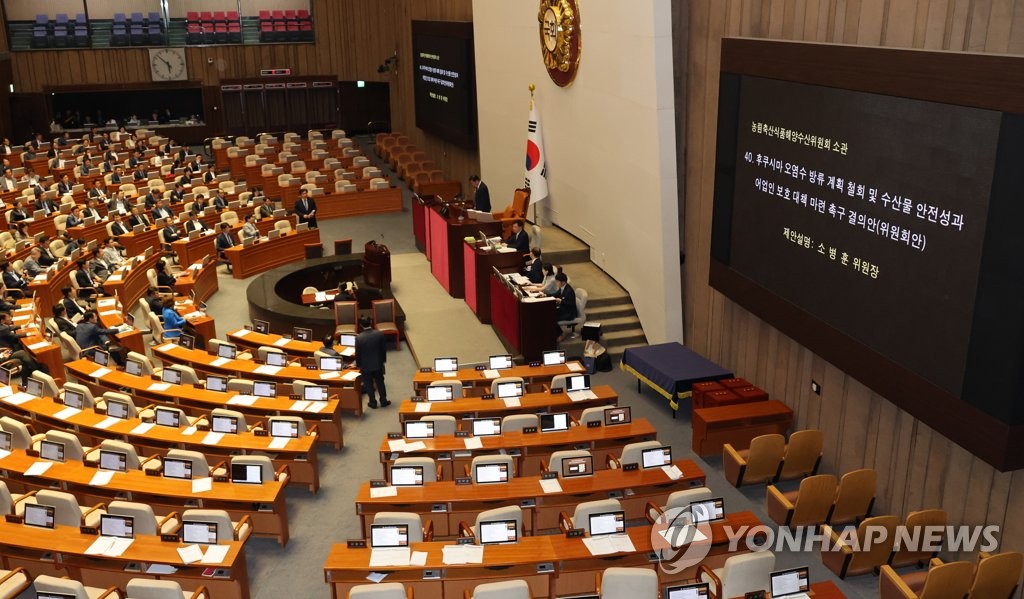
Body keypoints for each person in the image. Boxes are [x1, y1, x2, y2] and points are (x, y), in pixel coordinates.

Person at [0, 310, 50, 384]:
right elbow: (12, 335)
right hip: (3, 360)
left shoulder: (2, 326)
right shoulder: (2, 329)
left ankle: (32, 374)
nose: (10, 318)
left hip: (3, 353)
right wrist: (3, 357)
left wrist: (2, 351)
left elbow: (9, 328)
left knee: (24, 355)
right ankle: (37, 370)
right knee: (23, 355)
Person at [354, 316, 388, 409]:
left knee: (368, 384)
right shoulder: (379, 334)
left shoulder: (359, 338)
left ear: (360, 325)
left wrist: (358, 365)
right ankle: (383, 401)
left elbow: (358, 354)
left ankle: (373, 403)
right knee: (380, 382)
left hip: (365, 365)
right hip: (378, 363)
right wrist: (383, 360)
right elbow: (383, 350)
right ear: (371, 323)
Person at [553, 272, 578, 342]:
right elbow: (555, 294)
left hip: (569, 313)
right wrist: (544, 295)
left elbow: (570, 304)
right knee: (549, 315)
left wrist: (560, 301)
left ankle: (561, 334)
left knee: (552, 318)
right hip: (563, 309)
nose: (556, 283)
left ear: (563, 282)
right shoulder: (562, 287)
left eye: (557, 282)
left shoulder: (569, 291)